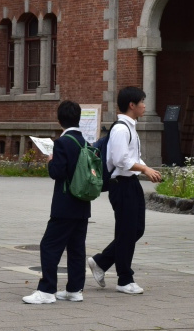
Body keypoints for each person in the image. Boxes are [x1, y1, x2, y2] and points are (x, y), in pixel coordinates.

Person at [87, 86, 161, 295]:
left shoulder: (130, 127)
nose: (145, 106)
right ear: (132, 105)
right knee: (127, 231)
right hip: (121, 185)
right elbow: (121, 160)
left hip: (131, 183)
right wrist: (144, 168)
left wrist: (147, 169)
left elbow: (132, 158)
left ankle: (101, 262)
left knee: (135, 230)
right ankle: (124, 279)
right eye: (142, 102)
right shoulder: (121, 129)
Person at [23, 100, 91, 304]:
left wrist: (51, 160)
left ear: (59, 119)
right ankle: (75, 289)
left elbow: (57, 173)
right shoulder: (84, 141)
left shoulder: (62, 143)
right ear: (78, 118)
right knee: (77, 247)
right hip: (82, 203)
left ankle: (46, 290)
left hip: (65, 204)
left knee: (49, 245)